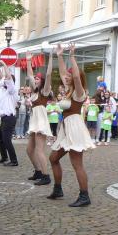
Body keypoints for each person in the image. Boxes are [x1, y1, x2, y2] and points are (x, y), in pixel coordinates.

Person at [47, 44, 96, 207]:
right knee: (53, 158)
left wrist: (72, 56)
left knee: (77, 164)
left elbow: (75, 76)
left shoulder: (79, 92)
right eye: (66, 76)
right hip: (66, 129)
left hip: (74, 129)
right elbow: (63, 73)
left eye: (70, 76)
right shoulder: (69, 89)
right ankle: (58, 189)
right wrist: (60, 55)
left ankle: (84, 196)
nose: (66, 77)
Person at [25, 54, 54, 185]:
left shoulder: (45, 91)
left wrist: (51, 58)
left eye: (37, 79)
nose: (35, 80)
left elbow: (48, 75)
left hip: (41, 123)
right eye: (35, 78)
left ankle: (46, 176)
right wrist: (28, 60)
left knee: (39, 150)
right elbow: (30, 75)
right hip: (34, 123)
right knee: (29, 150)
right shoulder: (35, 92)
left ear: (41, 81)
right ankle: (38, 171)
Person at [0, 60, 19, 166]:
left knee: (6, 139)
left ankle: (14, 161)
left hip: (9, 118)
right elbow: (1, 78)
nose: (4, 80)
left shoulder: (12, 90)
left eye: (6, 80)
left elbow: (8, 77)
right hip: (5, 118)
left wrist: (4, 64)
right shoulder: (5, 91)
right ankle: (4, 157)